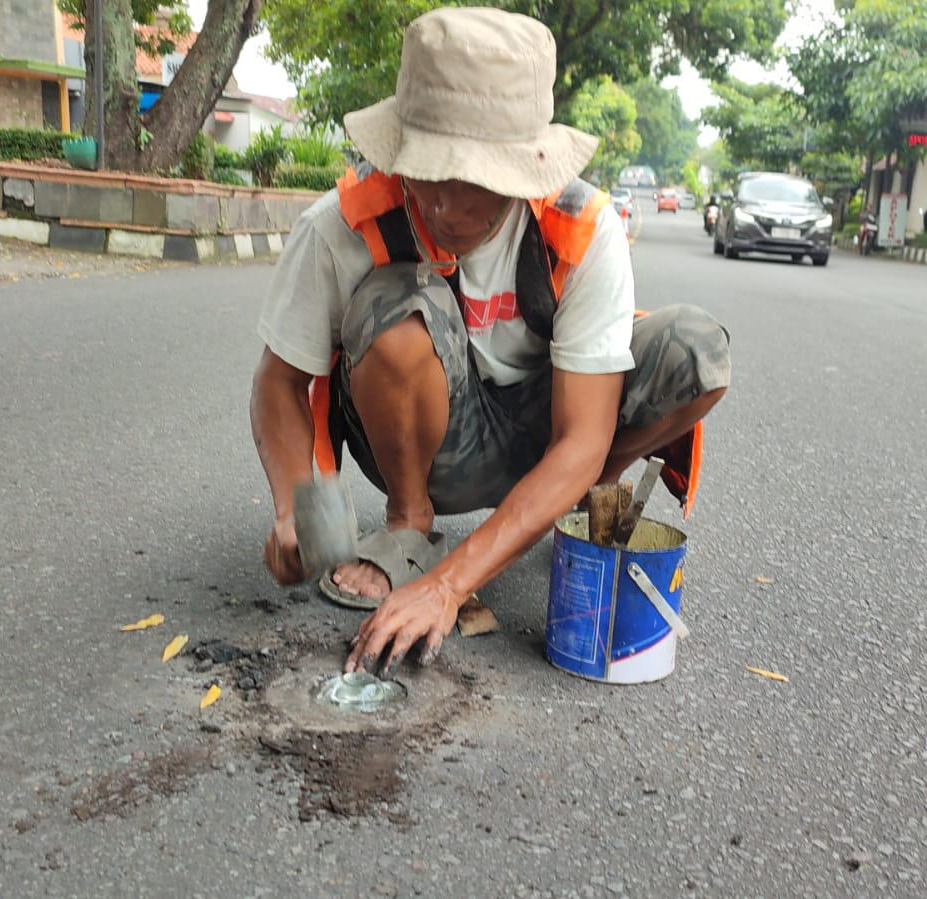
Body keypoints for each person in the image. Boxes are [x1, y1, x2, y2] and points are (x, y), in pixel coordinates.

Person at [250, 7, 730, 677]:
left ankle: (577, 498)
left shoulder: (581, 227)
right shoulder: (343, 224)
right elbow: (279, 380)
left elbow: (581, 435)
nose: (447, 205)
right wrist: (294, 509)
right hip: (433, 441)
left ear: (526, 166)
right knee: (397, 303)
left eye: (476, 180)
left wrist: (448, 587)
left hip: (554, 429)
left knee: (693, 347)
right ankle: (408, 523)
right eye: (430, 171)